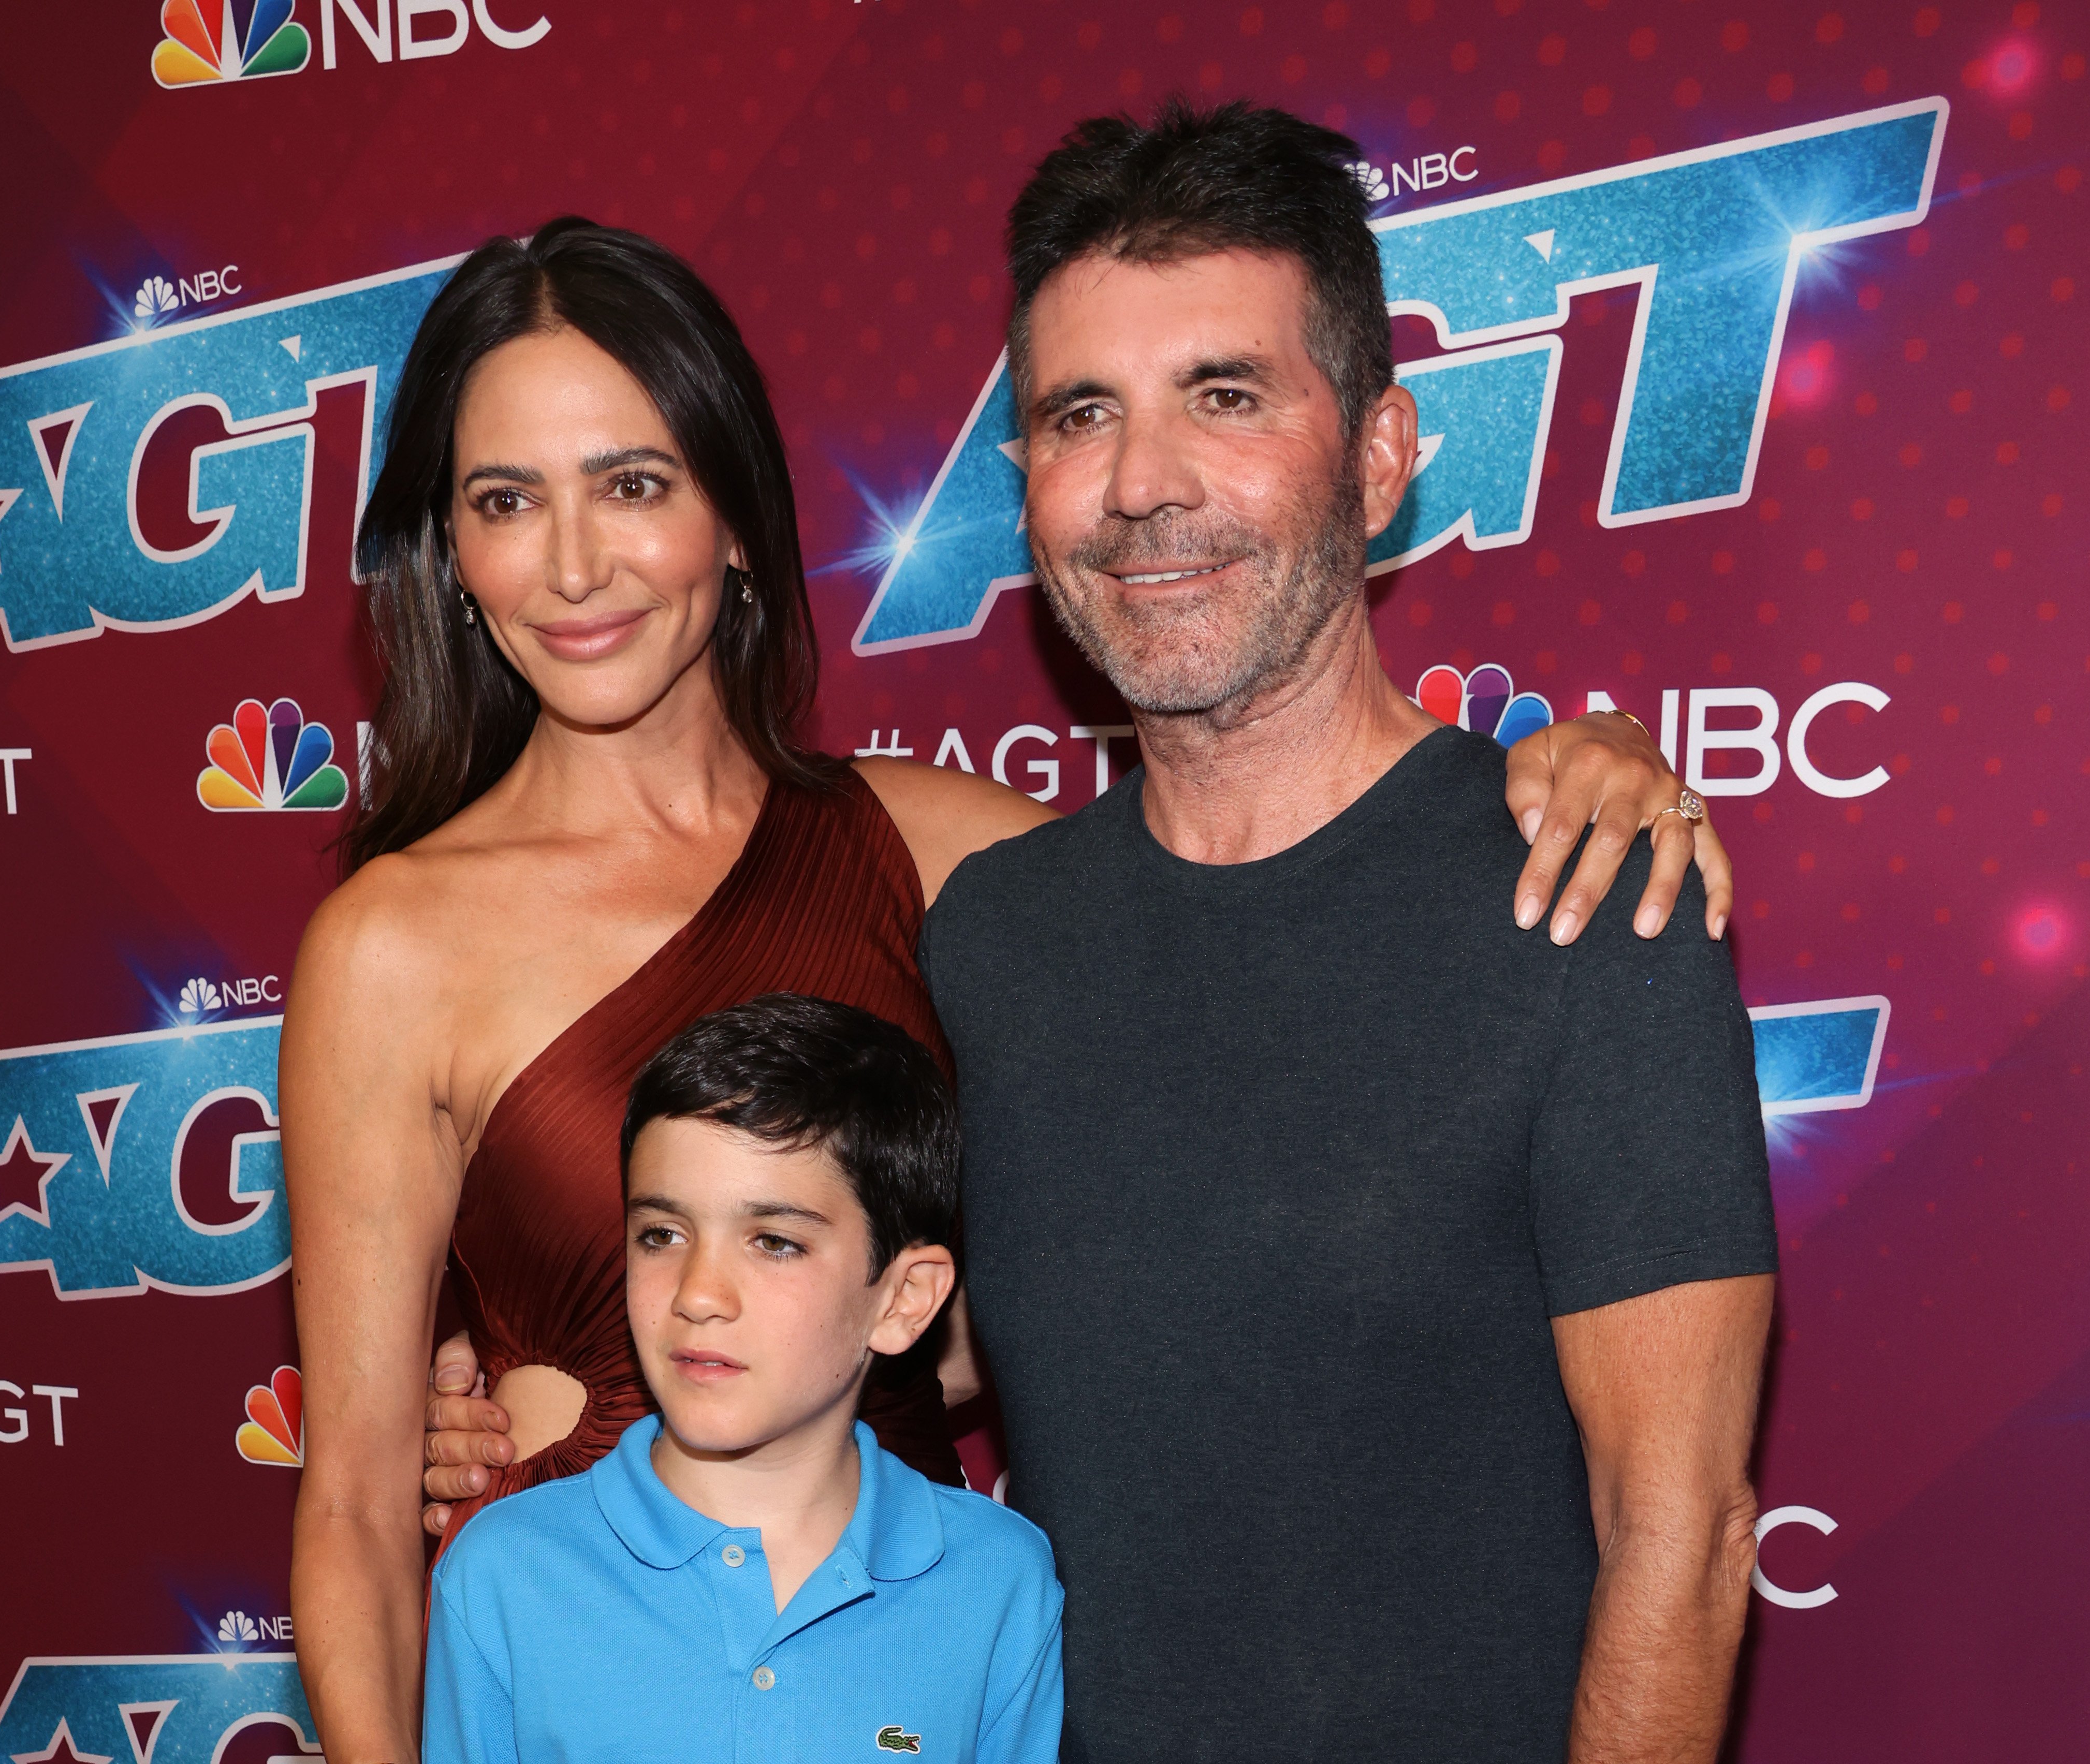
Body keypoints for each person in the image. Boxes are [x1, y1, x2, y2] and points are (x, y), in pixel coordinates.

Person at [296, 216, 1718, 1759]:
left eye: (633, 483)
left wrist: (1571, 769)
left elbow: (1232, 950)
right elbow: (360, 1513)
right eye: (505, 499)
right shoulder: (391, 947)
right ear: (451, 550)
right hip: (587, 1686)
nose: (572, 563)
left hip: (922, 1684)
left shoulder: (952, 856)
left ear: (737, 517)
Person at [913, 99, 1781, 1764]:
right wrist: (542, 1400)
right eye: (1080, 415)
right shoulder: (992, 939)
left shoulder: (1591, 898)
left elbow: (1678, 1540)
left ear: (1377, 455)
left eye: (1223, 397)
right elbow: (899, 1349)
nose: (1143, 486)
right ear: (1024, 483)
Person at [425, 995, 1063, 1764]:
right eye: (661, 1235)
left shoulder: (996, 1582)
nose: (697, 1293)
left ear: (902, 1300)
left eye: (773, 1242)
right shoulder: (506, 1574)